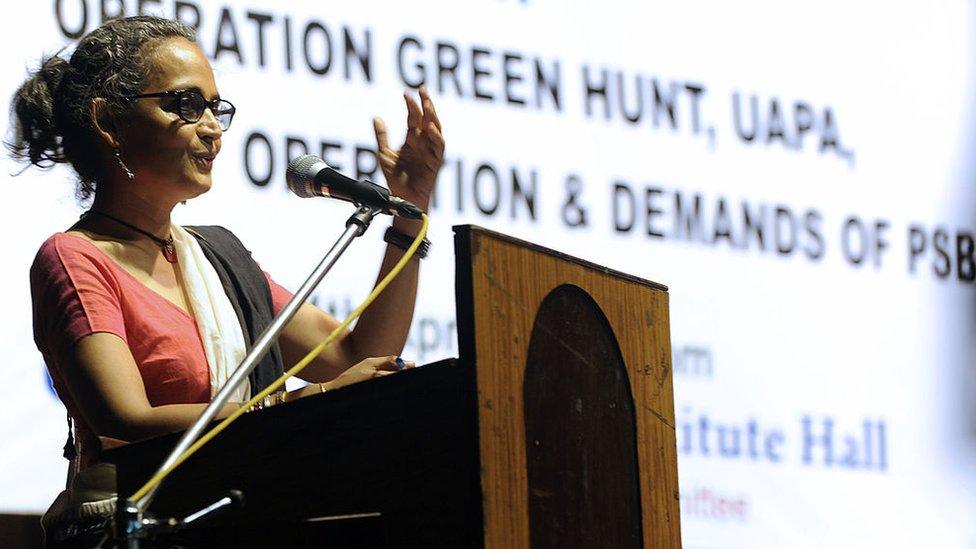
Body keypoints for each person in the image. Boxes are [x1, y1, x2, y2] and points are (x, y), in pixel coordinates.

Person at [10, 15, 445, 547]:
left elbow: (364, 352)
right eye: (186, 105)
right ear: (108, 120)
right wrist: (312, 400)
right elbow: (124, 417)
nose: (213, 127)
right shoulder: (75, 259)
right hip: (137, 532)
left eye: (216, 108)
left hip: (245, 519)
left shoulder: (218, 257)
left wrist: (410, 210)